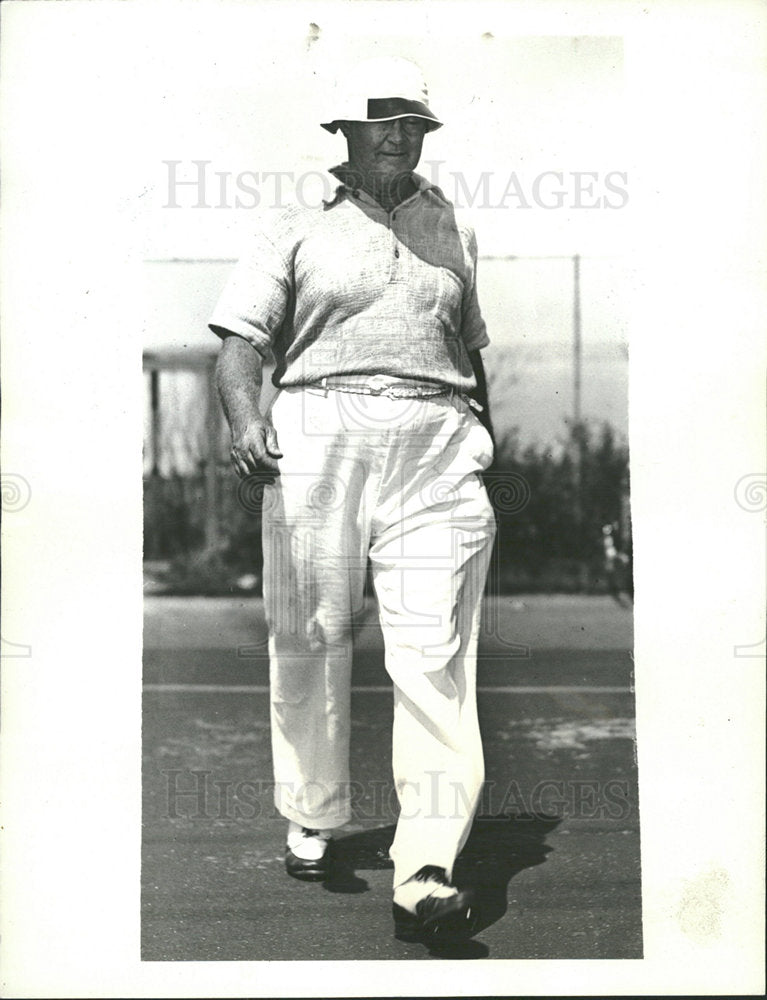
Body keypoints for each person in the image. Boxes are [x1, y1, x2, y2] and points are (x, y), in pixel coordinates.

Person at [210, 56, 496, 944]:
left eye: (413, 124)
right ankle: (312, 814)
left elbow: (470, 348)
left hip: (437, 439)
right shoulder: (293, 221)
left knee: (433, 651)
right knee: (311, 632)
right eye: (383, 123)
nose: (400, 137)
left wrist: (483, 441)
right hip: (319, 433)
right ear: (345, 131)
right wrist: (245, 420)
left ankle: (426, 870)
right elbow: (239, 344)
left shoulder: (451, 223)